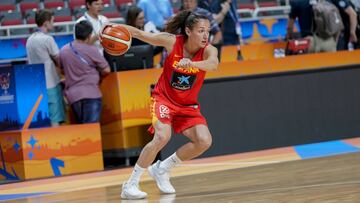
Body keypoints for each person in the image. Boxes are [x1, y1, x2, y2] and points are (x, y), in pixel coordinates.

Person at [120, 10, 219, 199]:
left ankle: (163, 168)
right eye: (201, 30)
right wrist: (115, 28)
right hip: (164, 98)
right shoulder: (171, 41)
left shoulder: (208, 50)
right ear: (188, 31)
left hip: (187, 105)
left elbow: (213, 64)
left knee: (204, 141)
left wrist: (191, 64)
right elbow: (140, 34)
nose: (206, 35)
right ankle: (130, 184)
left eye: (208, 30)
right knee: (162, 137)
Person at [59, 21, 110, 123]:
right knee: (92, 131)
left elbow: (61, 70)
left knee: (82, 131)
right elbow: (106, 70)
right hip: (91, 94)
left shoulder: (63, 50)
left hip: (73, 97)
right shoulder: (92, 49)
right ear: (89, 35)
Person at [26, 9, 66, 126]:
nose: (54, 24)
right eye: (52, 21)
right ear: (46, 23)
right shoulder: (48, 39)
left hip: (37, 85)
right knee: (55, 119)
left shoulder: (29, 40)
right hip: (51, 84)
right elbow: (59, 59)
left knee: (43, 122)